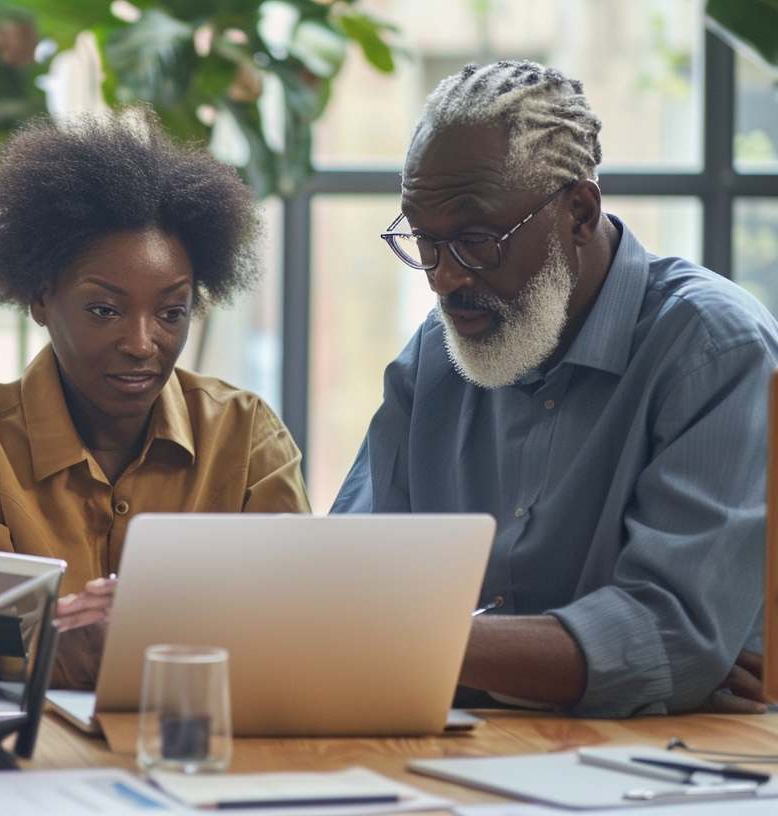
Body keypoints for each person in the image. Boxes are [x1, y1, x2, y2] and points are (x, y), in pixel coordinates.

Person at [333, 61, 777, 718]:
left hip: (667, 774)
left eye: (477, 240)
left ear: (579, 210)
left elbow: (671, 637)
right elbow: (347, 591)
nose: (444, 278)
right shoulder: (433, 356)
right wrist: (591, 665)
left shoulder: (715, 351)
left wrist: (419, 639)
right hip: (469, 753)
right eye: (424, 243)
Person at [0, 106, 311, 688]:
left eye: (172, 312)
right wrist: (173, 629)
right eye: (105, 310)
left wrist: (84, 631)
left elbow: (298, 623)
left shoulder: (247, 434)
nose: (143, 342)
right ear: (41, 299)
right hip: (35, 760)